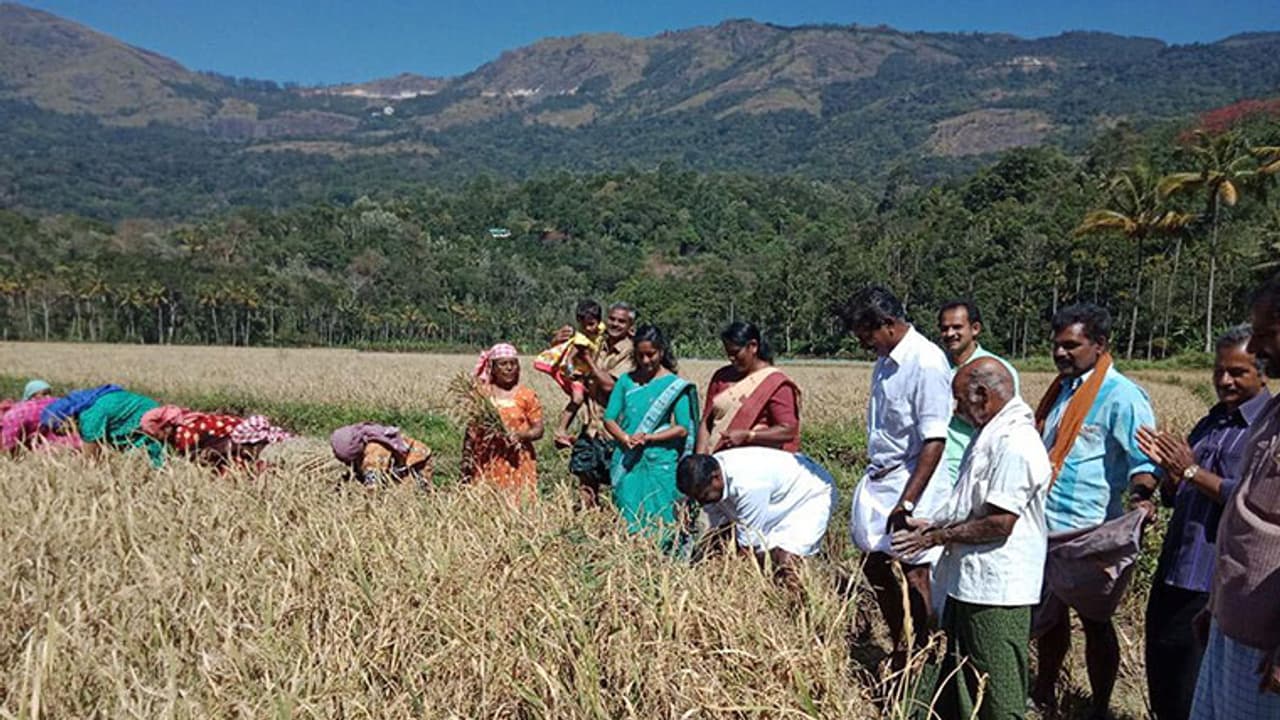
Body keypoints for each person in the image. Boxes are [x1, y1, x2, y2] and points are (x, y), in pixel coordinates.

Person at [892, 358, 1051, 720]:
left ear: (982, 395)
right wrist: (931, 524)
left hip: (997, 589)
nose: (956, 408)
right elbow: (972, 504)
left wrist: (935, 538)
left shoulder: (1016, 443)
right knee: (960, 676)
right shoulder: (993, 433)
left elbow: (999, 522)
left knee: (997, 688)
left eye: (960, 399)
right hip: (971, 581)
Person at [1030, 303, 1159, 718]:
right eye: (1057, 345)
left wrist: (1141, 496)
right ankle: (1045, 693)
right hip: (1047, 525)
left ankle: (1099, 707)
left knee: (1096, 621)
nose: (1061, 353)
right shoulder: (1061, 390)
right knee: (1049, 619)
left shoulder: (1121, 395)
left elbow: (1145, 458)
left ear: (1099, 345)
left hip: (1089, 529)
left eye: (1072, 345)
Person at [1133, 326, 1269, 720]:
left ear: (1262, 372)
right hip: (1177, 566)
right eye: (1219, 371)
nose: (1224, 381)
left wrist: (1190, 470)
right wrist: (1172, 476)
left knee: (1193, 690)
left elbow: (1251, 500)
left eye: (1237, 372)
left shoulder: (1264, 430)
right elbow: (1181, 496)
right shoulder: (1212, 421)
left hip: (1213, 581)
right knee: (1163, 673)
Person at [841, 286, 953, 669]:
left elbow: (934, 440)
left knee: (914, 570)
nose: (864, 343)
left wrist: (908, 501)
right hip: (881, 478)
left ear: (888, 324)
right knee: (875, 565)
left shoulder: (926, 363)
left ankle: (920, 653)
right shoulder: (885, 360)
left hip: (912, 482)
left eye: (866, 335)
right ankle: (901, 642)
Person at [1187, 276, 1280, 719]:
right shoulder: (1276, 413)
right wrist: (1216, 606)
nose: (1259, 346)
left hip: (1267, 645)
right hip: (1233, 624)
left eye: (1267, 332)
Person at [677, 447, 836, 589]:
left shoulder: (749, 485)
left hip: (809, 496)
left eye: (703, 496)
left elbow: (747, 547)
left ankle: (801, 610)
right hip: (775, 500)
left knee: (786, 562)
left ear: (716, 478)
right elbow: (722, 529)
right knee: (741, 551)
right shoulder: (710, 479)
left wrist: (728, 584)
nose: (701, 502)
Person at [603, 324, 699, 540]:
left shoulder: (674, 386)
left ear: (661, 352)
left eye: (651, 355)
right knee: (629, 515)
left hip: (660, 462)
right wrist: (624, 438)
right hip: (628, 460)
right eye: (641, 355)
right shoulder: (626, 381)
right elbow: (609, 418)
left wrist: (650, 438)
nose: (646, 361)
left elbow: (683, 428)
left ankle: (664, 564)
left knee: (662, 516)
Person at [938, 300, 1020, 485]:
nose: (950, 334)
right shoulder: (935, 367)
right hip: (936, 471)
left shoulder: (998, 371)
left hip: (973, 471)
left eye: (957, 327)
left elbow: (1007, 426)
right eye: (945, 328)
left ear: (975, 329)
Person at [566, 302, 637, 507]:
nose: (615, 324)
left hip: (614, 428)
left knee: (618, 482)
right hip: (591, 425)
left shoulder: (631, 352)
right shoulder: (598, 341)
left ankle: (617, 529)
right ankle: (588, 525)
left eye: (621, 321)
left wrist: (587, 359)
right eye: (612, 319)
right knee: (586, 479)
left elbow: (609, 386)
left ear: (630, 325)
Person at [696, 322, 802, 455]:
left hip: (754, 462)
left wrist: (749, 435)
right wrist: (700, 459)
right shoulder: (721, 377)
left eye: (735, 353)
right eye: (728, 354)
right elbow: (707, 422)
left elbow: (788, 430)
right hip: (717, 460)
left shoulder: (775, 382)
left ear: (753, 346)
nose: (731, 358)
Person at [462, 343, 544, 496]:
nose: (509, 368)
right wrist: (466, 462)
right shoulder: (482, 395)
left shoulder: (526, 395)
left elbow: (538, 430)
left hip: (518, 461)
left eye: (513, 363)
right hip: (487, 460)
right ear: (492, 367)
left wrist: (521, 435)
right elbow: (470, 431)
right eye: (503, 364)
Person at [536, 300, 605, 448]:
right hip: (578, 374)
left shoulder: (601, 330)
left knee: (591, 403)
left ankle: (586, 433)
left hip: (589, 375)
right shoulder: (581, 339)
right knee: (578, 399)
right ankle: (561, 430)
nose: (589, 328)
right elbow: (569, 359)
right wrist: (570, 373)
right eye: (584, 325)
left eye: (592, 324)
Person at [142, 406, 291, 473]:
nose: (153, 437)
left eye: (155, 433)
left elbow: (199, 456)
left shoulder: (184, 436)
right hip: (230, 444)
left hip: (237, 443)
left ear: (166, 427)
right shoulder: (186, 423)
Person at [75, 388, 166, 466]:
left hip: (145, 417)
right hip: (140, 409)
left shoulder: (91, 418)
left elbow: (90, 459)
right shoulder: (92, 410)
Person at [330, 422, 433, 486]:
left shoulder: (375, 451)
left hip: (417, 461)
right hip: (398, 464)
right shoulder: (362, 445)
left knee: (413, 491)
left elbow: (374, 481)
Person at [1, 388, 82, 455]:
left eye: (48, 393)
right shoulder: (57, 403)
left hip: (58, 450)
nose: (47, 397)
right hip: (77, 444)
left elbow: (8, 447)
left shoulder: (13, 415)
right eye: (44, 394)